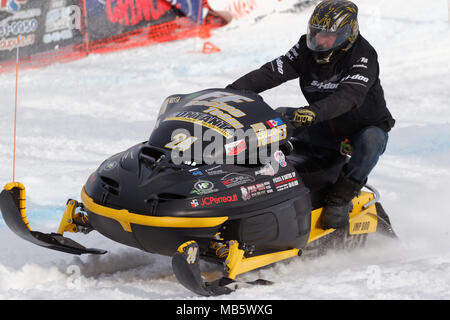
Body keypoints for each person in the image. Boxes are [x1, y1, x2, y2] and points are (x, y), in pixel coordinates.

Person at [226, 0, 395, 229]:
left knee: (372, 140)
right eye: (316, 33)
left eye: (328, 36)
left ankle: (341, 197)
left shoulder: (363, 56)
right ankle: (242, 184)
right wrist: (230, 93)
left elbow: (348, 96)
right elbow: (273, 72)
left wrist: (311, 113)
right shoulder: (306, 48)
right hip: (323, 125)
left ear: (347, 34)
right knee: (272, 119)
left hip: (360, 130)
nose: (320, 40)